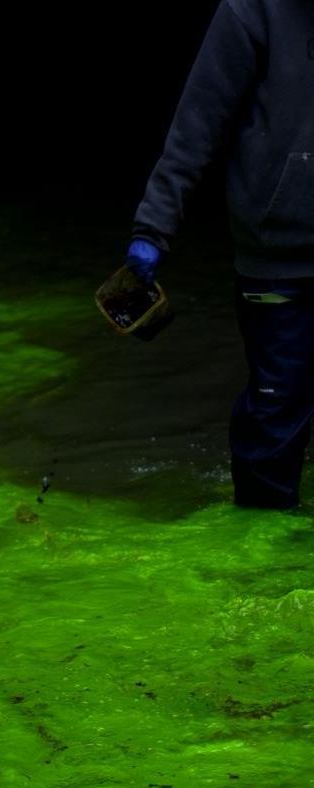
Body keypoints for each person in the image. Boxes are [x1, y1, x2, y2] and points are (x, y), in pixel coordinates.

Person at [125, 0, 314, 509]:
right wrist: (153, 227)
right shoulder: (250, 11)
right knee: (276, 410)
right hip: (277, 255)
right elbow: (196, 124)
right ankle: (256, 553)